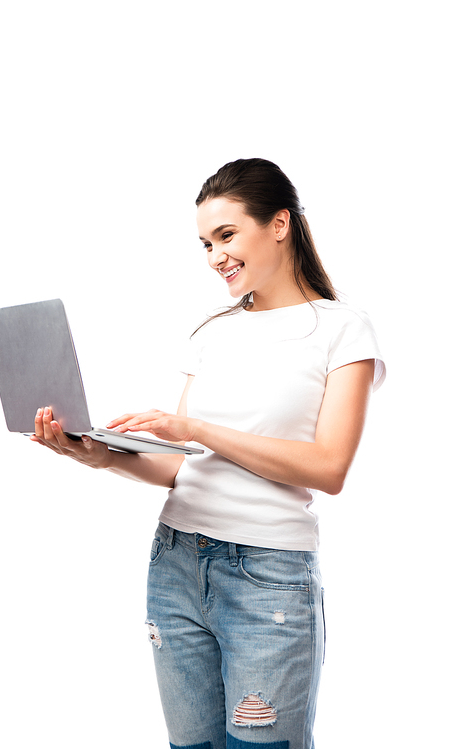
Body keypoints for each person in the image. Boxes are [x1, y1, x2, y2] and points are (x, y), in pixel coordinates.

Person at [32, 158, 385, 749]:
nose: (215, 256)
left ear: (279, 224)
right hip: (175, 562)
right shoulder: (212, 330)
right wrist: (95, 454)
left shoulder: (342, 328)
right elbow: (184, 463)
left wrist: (195, 427)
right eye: (205, 243)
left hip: (268, 577)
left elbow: (329, 468)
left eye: (226, 235)